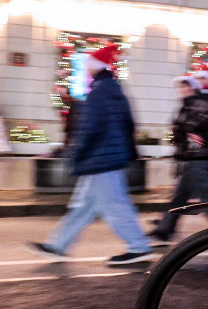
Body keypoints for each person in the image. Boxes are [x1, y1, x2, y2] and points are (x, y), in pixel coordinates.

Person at [25, 44, 156, 265]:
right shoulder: (114, 90)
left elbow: (88, 129)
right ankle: (58, 245)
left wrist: (76, 154)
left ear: (96, 67)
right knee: (82, 207)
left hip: (101, 158)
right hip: (108, 156)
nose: (87, 69)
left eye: (89, 65)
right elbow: (129, 124)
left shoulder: (98, 93)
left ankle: (138, 247)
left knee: (114, 205)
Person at [147, 72, 208, 244]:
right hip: (193, 157)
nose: (183, 89)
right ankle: (165, 230)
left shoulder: (204, 100)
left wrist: (187, 130)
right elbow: (182, 126)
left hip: (199, 157)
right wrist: (184, 132)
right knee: (180, 197)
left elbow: (199, 121)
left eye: (187, 85)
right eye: (181, 86)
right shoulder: (191, 102)